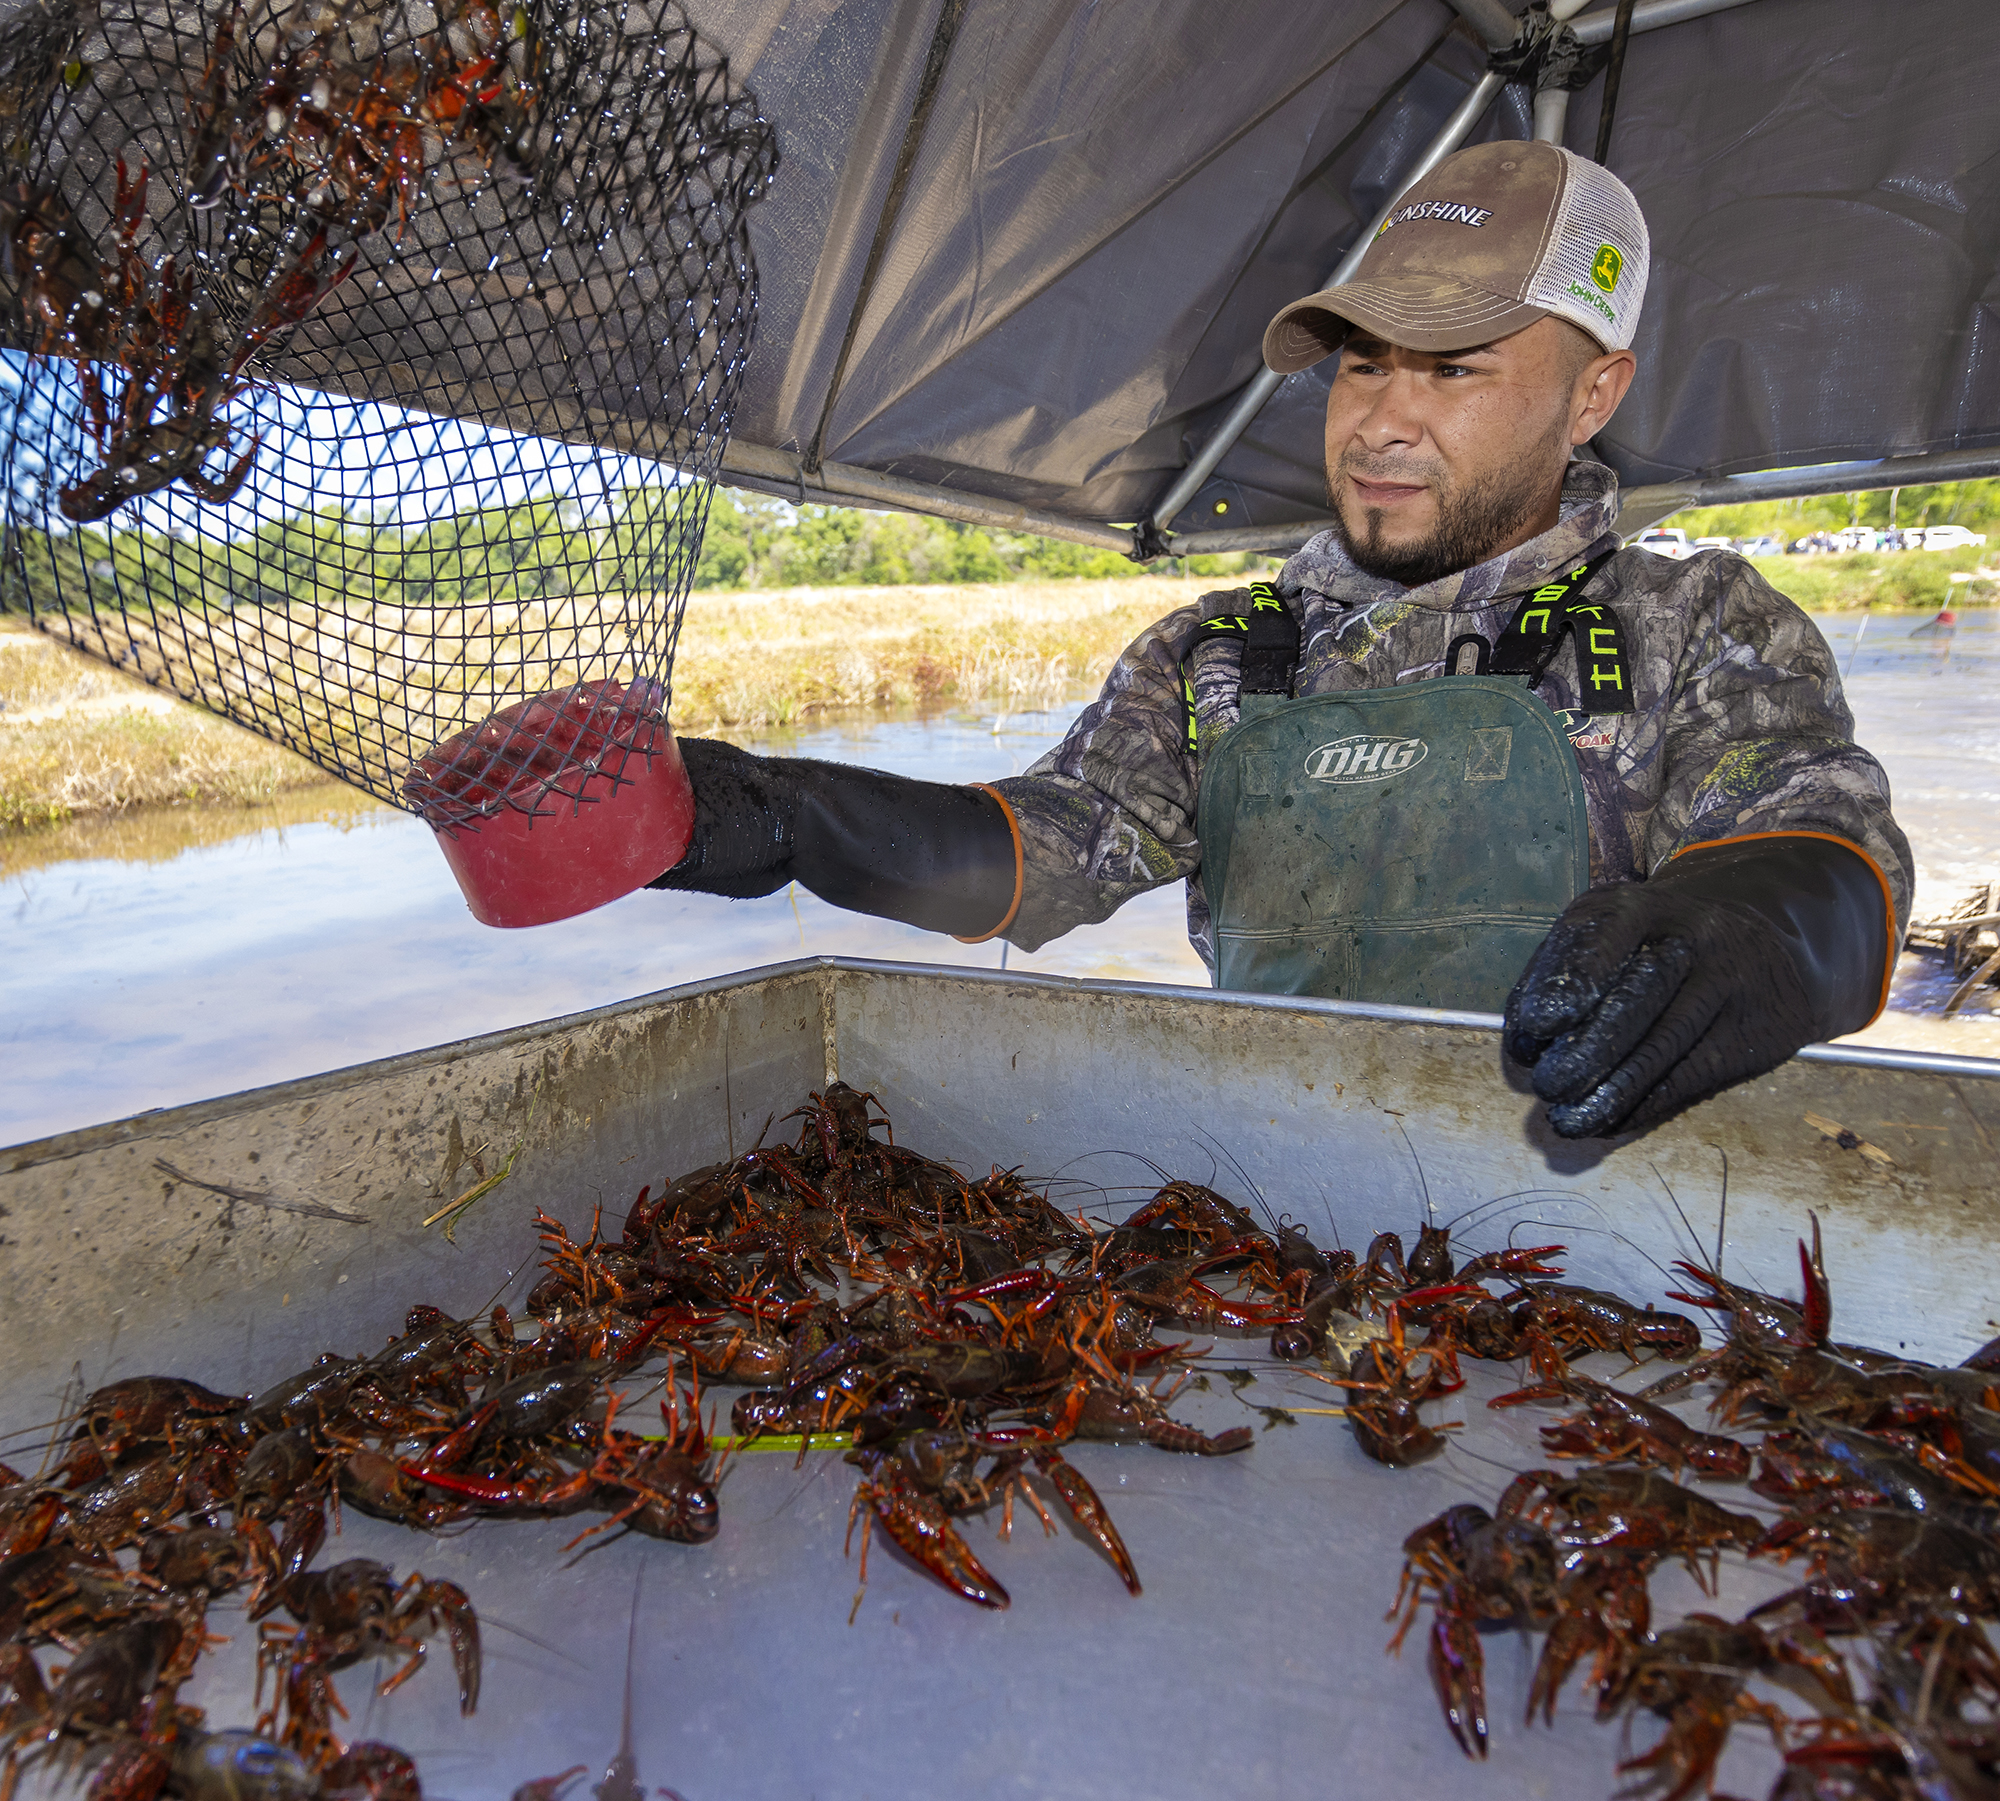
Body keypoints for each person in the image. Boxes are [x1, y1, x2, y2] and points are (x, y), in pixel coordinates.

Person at [654, 140, 1911, 1141]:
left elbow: (1834, 865)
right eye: (1363, 368)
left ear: (1593, 395)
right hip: (1287, 1188)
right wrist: (779, 813)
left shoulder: (1698, 627)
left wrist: (1747, 928)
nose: (1380, 424)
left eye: (1454, 372)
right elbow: (1033, 855)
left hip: (1595, 1221)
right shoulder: (1220, 653)